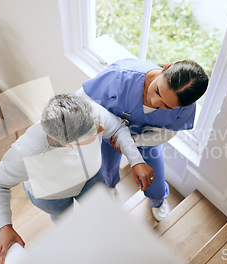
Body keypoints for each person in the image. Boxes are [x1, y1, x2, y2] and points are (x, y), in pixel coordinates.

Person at [0, 94, 154, 264]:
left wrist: (136, 160)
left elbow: (117, 127)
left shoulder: (87, 111)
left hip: (92, 179)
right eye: (94, 130)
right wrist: (5, 226)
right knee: (66, 222)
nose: (102, 127)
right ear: (68, 143)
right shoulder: (26, 153)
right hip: (51, 197)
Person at [79, 58, 208, 221]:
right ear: (165, 68)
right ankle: (109, 187)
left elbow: (167, 134)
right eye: (158, 91)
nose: (154, 102)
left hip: (147, 139)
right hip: (109, 135)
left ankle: (157, 200)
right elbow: (82, 98)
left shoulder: (186, 106)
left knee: (156, 180)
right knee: (106, 168)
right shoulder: (119, 75)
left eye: (166, 106)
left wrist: (134, 142)